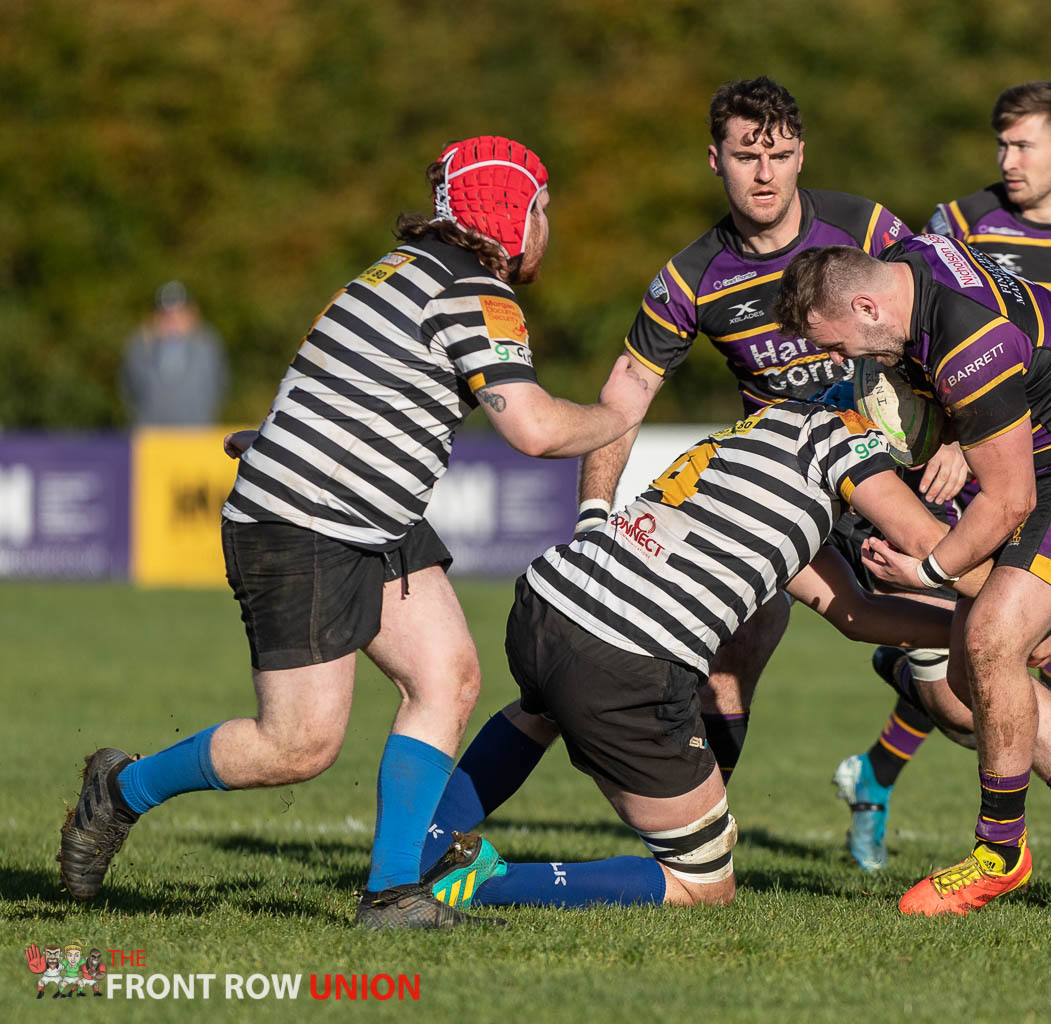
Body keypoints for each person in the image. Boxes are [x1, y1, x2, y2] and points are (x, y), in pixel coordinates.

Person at [57, 135, 653, 931]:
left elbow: (341, 377)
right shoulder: (474, 291)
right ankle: (121, 788)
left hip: (368, 513)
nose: (549, 226)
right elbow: (535, 429)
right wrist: (617, 417)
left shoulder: (396, 268)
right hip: (305, 521)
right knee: (298, 745)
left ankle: (393, 892)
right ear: (512, 214)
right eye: (543, 209)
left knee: (447, 676)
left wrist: (283, 440)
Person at [412, 397, 1051, 912]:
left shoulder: (774, 431)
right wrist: (1017, 616)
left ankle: (420, 849)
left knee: (541, 711)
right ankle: (482, 883)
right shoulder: (844, 440)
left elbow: (857, 615)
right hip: (625, 658)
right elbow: (923, 541)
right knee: (703, 882)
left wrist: (968, 635)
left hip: (549, 603)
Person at [571, 75, 963, 796]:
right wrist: (593, 516)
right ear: (714, 159)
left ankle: (916, 683)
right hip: (788, 491)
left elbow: (955, 316)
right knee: (735, 648)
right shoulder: (691, 276)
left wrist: (960, 435)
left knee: (961, 709)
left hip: (896, 481)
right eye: (746, 155)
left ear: (801, 156)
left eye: (779, 156)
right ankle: (697, 829)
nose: (764, 173)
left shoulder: (866, 228)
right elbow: (623, 398)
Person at [773, 235, 1051, 915]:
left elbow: (1010, 501)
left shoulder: (968, 345)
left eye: (840, 345)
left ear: (869, 305)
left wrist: (928, 570)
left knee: (993, 637)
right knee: (971, 679)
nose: (846, 362)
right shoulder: (913, 257)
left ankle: (999, 855)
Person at [835, 81, 1051, 875]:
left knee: (1022, 636)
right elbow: (929, 340)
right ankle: (913, 785)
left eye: (1022, 144)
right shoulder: (960, 222)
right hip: (986, 452)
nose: (1006, 160)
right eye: (1001, 144)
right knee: (979, 639)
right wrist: (957, 435)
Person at [119, 280, 230, 425]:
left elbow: (220, 384)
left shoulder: (208, 343)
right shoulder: (140, 346)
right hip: (151, 433)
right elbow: (127, 389)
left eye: (179, 312)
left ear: (191, 313)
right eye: (166, 314)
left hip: (197, 432)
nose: (173, 319)